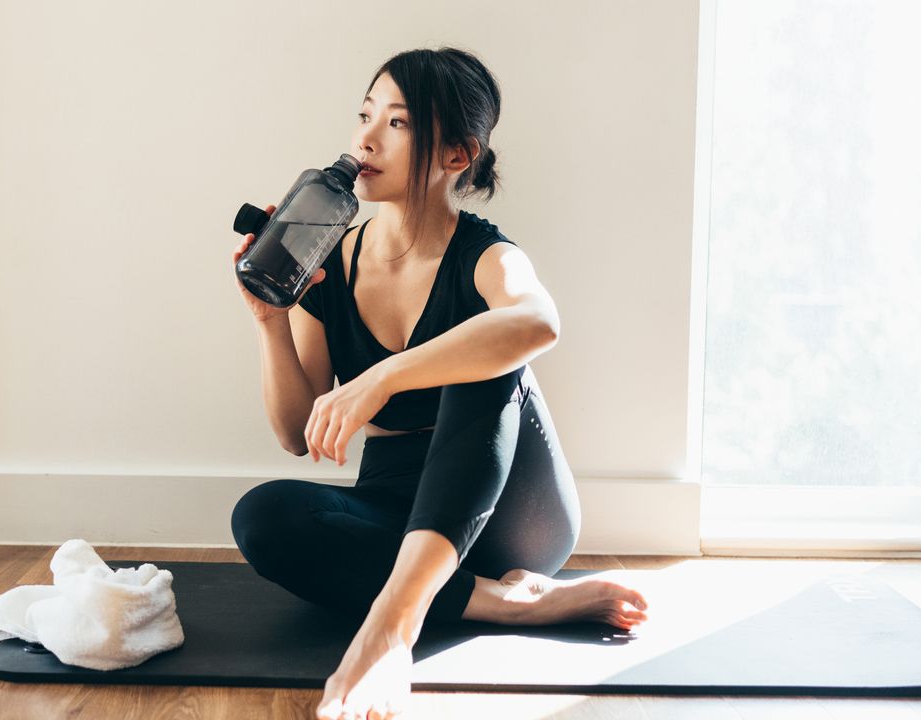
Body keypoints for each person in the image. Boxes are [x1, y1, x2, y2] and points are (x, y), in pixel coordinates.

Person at [230, 47, 649, 720]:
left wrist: (384, 377)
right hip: (400, 505)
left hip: (513, 511)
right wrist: (270, 322)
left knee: (489, 349)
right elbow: (292, 431)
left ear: (457, 155)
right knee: (262, 516)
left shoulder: (487, 254)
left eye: (396, 123)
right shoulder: (332, 259)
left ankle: (394, 627)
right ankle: (505, 601)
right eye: (365, 116)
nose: (365, 138)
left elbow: (539, 320)